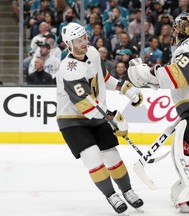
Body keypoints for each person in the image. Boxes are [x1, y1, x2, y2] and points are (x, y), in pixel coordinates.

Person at [127, 12, 189, 213]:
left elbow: (179, 76)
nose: (176, 31)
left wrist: (148, 73)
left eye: (178, 27)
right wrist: (154, 79)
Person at [56, 23, 144, 215]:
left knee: (112, 154)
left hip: (97, 114)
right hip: (72, 120)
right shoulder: (69, 69)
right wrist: (112, 118)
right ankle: (111, 195)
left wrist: (125, 89)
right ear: (69, 44)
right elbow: (86, 104)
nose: (84, 43)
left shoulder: (94, 53)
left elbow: (102, 77)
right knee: (93, 156)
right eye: (79, 41)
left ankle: (128, 191)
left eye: (84, 38)